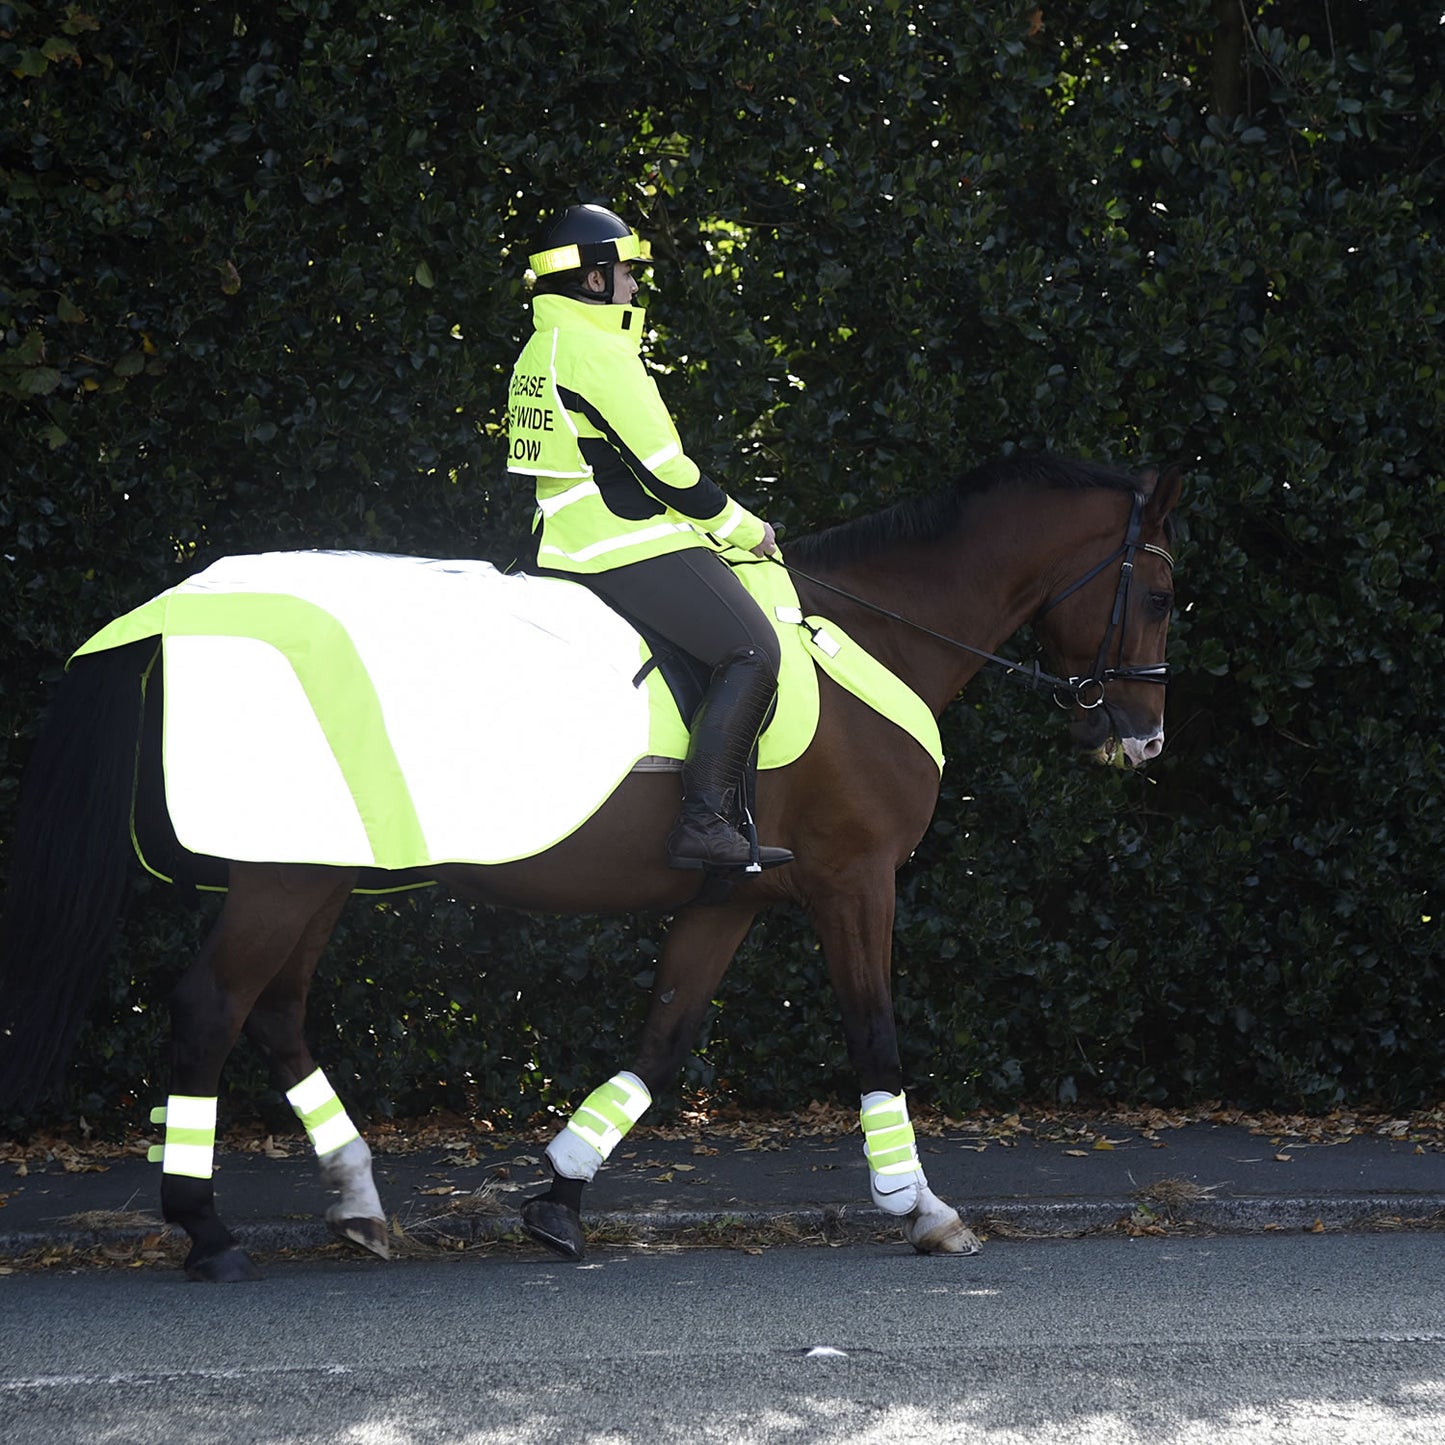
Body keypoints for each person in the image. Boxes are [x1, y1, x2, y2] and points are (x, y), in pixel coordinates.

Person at [506, 203, 793, 873]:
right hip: (619, 542)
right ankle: (704, 821)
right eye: (627, 272)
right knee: (752, 651)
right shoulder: (596, 351)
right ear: (594, 280)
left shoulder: (540, 346)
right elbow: (666, 471)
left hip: (555, 539)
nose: (636, 285)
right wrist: (747, 530)